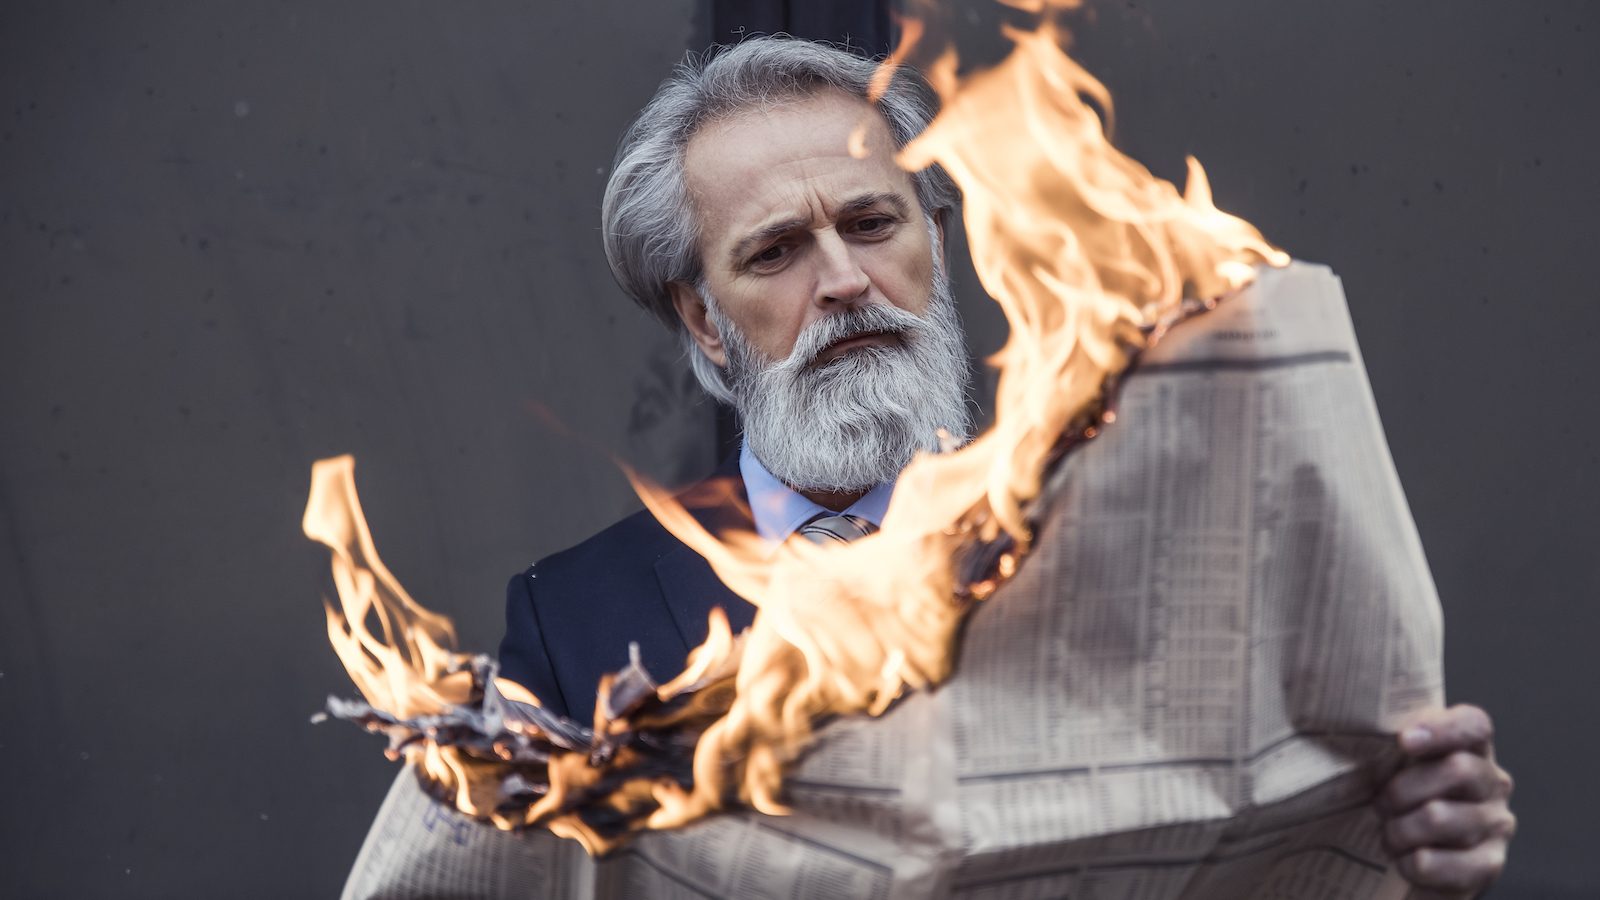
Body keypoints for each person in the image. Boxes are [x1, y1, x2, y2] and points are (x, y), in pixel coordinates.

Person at [497, 37, 1514, 896]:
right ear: (702, 320)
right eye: (775, 253)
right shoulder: (571, 620)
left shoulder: (1134, 549)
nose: (846, 281)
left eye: (871, 222)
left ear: (935, 243)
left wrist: (1414, 846)